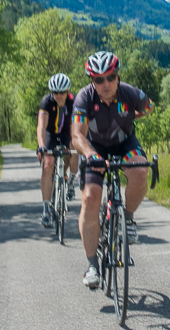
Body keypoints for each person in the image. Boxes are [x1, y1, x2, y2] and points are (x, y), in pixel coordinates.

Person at [71, 50, 154, 289]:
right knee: (90, 197)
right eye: (99, 80)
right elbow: (77, 135)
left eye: (110, 77)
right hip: (94, 148)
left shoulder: (131, 93)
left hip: (124, 143)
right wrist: (90, 154)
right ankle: (92, 265)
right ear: (92, 81)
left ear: (117, 76)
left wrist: (132, 115)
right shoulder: (84, 99)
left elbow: (148, 108)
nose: (105, 84)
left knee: (139, 170)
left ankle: (127, 218)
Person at [36, 72, 74, 228]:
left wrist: (73, 144)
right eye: (55, 92)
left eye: (62, 92)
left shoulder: (74, 102)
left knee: (71, 153)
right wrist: (41, 146)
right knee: (47, 164)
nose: (58, 96)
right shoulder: (46, 102)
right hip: (50, 133)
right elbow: (41, 127)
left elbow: (76, 126)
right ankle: (46, 209)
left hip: (66, 133)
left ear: (68, 92)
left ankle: (67, 179)